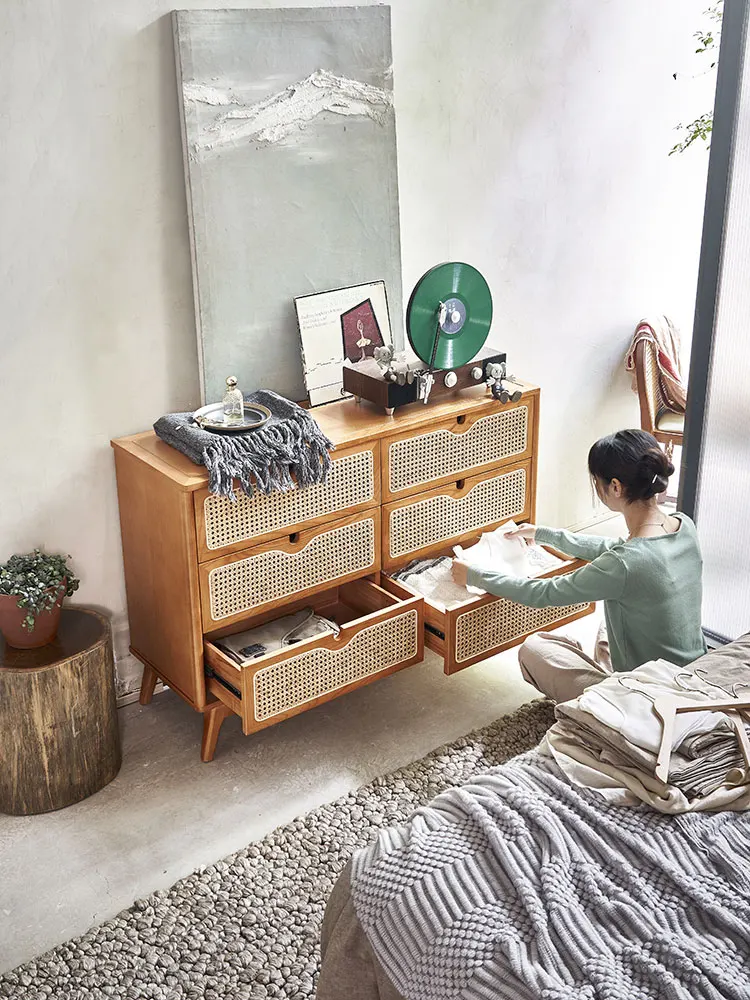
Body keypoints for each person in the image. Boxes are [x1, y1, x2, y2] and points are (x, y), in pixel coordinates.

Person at [452, 429, 707, 703]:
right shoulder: (683, 525)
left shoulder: (625, 564)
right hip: (695, 675)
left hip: (648, 698)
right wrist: (544, 534)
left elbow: (541, 593)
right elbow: (619, 550)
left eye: (597, 482)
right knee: (606, 630)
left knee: (534, 650)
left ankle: (604, 696)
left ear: (616, 487)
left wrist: (476, 575)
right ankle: (602, 673)